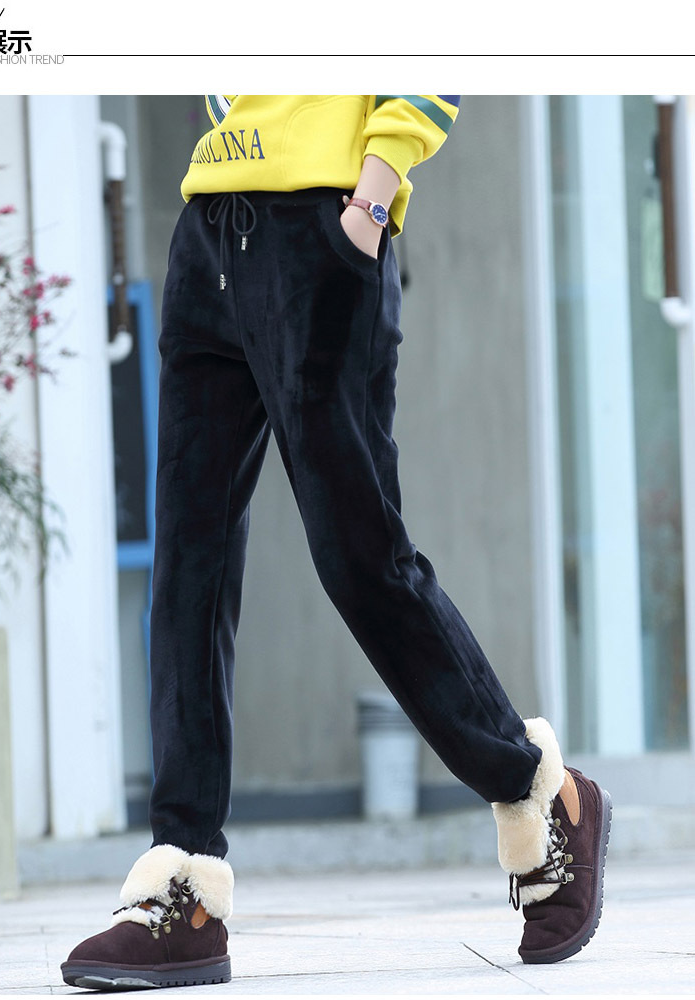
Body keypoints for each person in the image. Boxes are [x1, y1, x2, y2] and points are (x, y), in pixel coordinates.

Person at [61, 95, 611, 989]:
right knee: (188, 573)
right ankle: (184, 887)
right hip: (210, 229)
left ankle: (540, 793)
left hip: (324, 229)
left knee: (360, 558)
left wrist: (369, 200)